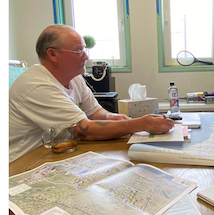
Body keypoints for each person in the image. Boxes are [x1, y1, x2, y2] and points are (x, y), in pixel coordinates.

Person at [9, 25, 174, 163]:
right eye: (78, 51)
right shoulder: (37, 85)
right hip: (21, 162)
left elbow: (95, 112)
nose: (86, 57)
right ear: (52, 54)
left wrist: (112, 117)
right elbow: (84, 130)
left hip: (51, 153)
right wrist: (140, 123)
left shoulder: (74, 77)